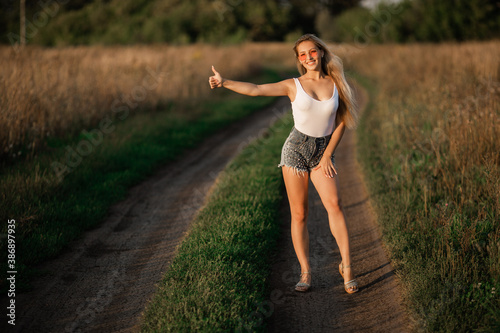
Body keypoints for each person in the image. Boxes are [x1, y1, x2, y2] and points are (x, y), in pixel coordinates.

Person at [208, 34, 359, 294]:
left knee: (335, 205)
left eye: (312, 52)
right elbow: (256, 89)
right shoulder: (294, 85)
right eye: (302, 54)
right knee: (300, 213)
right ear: (298, 59)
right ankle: (305, 271)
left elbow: (342, 120)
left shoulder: (336, 82)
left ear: (321, 52)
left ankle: (347, 267)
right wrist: (225, 82)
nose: (308, 58)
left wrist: (327, 155)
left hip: (324, 151)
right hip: (296, 151)